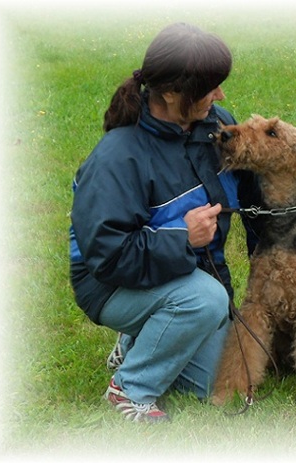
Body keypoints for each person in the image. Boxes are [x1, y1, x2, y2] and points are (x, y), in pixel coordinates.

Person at [69, 23, 262, 423]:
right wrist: (182, 238)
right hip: (108, 284)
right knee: (204, 300)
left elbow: (252, 193)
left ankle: (140, 339)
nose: (221, 95)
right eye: (211, 87)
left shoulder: (215, 125)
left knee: (217, 381)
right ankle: (131, 387)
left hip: (180, 272)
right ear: (172, 93)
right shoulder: (117, 158)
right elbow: (106, 257)